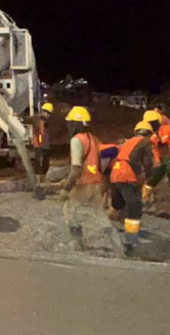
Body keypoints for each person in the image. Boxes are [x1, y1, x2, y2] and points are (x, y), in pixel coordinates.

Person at [57, 106, 114, 251]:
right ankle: (117, 245)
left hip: (83, 184)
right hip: (95, 183)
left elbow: (76, 168)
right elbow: (99, 162)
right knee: (100, 215)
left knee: (70, 212)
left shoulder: (76, 140)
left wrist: (67, 188)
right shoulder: (93, 139)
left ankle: (77, 244)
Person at [107, 121, 154, 254]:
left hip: (115, 173)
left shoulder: (128, 142)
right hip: (128, 175)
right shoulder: (146, 142)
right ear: (149, 134)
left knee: (117, 205)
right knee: (134, 208)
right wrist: (147, 176)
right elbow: (147, 163)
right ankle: (129, 242)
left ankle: (105, 227)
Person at [141, 110, 170, 215]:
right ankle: (143, 202)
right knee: (151, 181)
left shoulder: (167, 130)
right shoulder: (153, 134)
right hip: (162, 161)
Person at [32, 102, 54, 187]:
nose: (48, 115)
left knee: (46, 164)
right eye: (47, 113)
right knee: (39, 163)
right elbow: (27, 119)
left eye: (49, 114)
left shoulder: (47, 122)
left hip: (46, 146)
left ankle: (43, 180)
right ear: (43, 111)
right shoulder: (36, 119)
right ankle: (37, 182)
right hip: (39, 145)